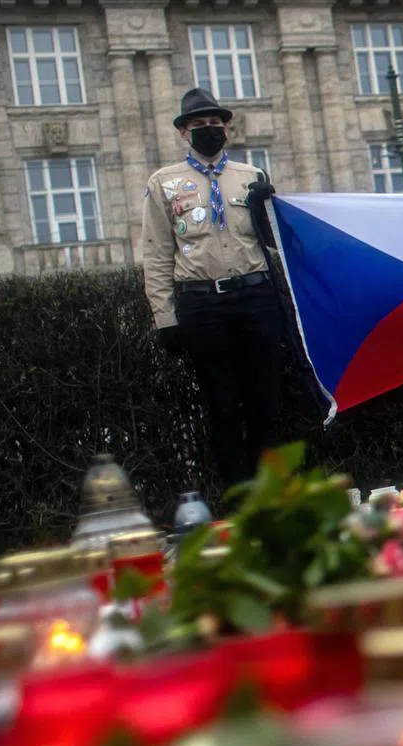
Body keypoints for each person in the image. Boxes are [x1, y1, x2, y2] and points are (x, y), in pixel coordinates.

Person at [142, 88, 283, 488]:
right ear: (184, 133)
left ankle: (274, 497)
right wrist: (164, 318)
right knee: (222, 407)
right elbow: (155, 253)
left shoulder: (251, 177)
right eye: (199, 125)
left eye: (215, 124)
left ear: (228, 129)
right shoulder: (164, 183)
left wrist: (269, 206)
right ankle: (238, 501)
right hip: (203, 304)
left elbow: (275, 242)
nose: (209, 130)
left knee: (267, 404)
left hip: (255, 296)